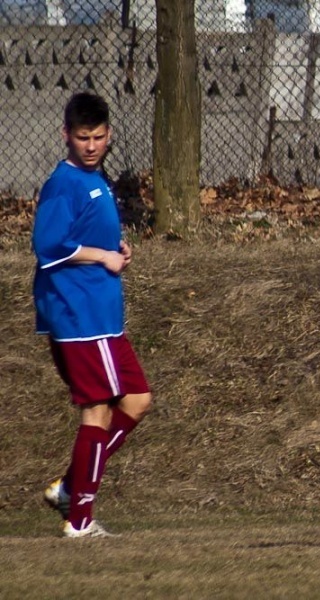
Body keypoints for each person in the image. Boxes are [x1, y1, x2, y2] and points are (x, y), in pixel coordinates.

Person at [32, 92, 152, 538]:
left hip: (103, 317)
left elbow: (86, 236)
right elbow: (48, 246)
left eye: (99, 137)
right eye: (83, 137)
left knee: (138, 400)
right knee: (97, 412)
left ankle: (70, 486)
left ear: (109, 134)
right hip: (79, 317)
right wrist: (102, 256)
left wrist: (116, 249)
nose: (91, 145)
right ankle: (80, 520)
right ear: (66, 135)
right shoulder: (64, 184)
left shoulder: (94, 180)